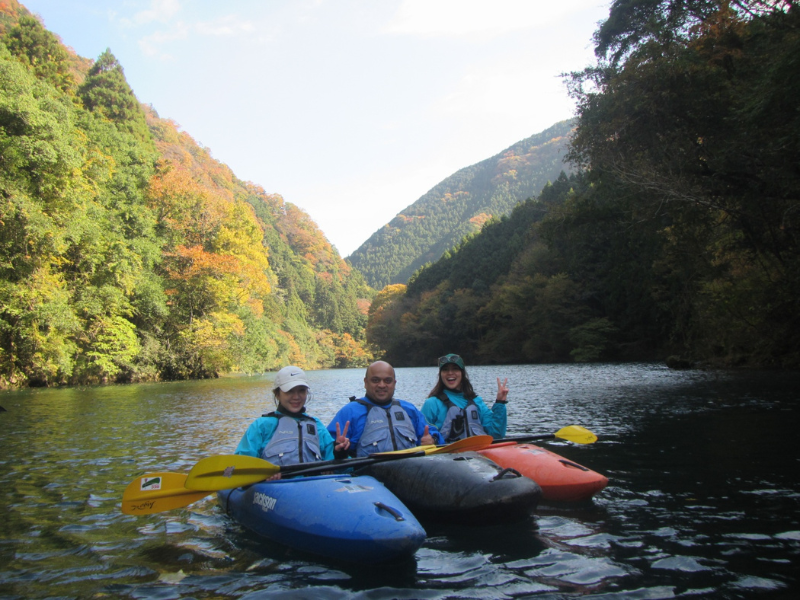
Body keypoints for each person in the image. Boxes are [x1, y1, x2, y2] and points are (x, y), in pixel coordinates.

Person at [235, 366, 350, 477]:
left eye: (301, 391)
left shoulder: (315, 425)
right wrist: (264, 475)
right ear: (277, 394)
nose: (296, 397)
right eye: (290, 391)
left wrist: (339, 453)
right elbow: (242, 467)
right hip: (275, 489)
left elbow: (344, 468)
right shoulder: (262, 425)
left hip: (314, 487)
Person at [327, 360, 444, 457]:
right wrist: (338, 450)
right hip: (368, 478)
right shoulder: (350, 412)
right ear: (365, 382)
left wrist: (433, 440)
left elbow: (432, 434)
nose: (382, 385)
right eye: (375, 380)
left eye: (387, 381)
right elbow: (327, 449)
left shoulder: (409, 409)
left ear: (394, 383)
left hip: (409, 472)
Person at [421, 353, 509, 442]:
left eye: (455, 369)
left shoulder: (476, 401)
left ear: (462, 373)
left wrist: (500, 402)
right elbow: (421, 434)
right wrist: (428, 440)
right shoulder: (432, 403)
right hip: (446, 454)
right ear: (441, 375)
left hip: (477, 453)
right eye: (445, 370)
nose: (450, 373)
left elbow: (496, 434)